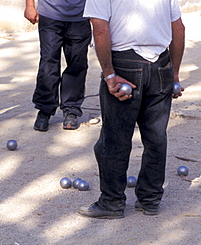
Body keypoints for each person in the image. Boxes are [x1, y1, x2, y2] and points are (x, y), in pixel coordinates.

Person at [78, 0, 185, 218]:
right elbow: (179, 28)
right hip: (161, 63)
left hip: (125, 64)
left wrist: (109, 74)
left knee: (114, 139)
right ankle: (150, 200)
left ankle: (112, 202)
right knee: (156, 137)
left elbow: (100, 29)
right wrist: (173, 74)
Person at [24, 0, 92, 131]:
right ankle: (45, 110)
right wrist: (30, 6)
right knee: (48, 62)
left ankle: (71, 109)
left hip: (80, 16)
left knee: (77, 63)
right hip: (50, 15)